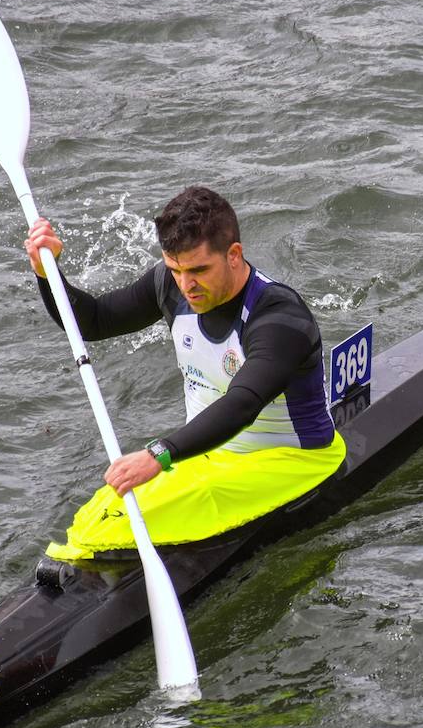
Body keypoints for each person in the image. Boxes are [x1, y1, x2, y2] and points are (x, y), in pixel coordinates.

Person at [24, 185, 346, 560]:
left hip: (292, 461)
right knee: (102, 516)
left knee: (128, 522)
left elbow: (242, 403)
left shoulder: (279, 318)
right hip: (207, 455)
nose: (186, 284)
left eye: (198, 270)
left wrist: (159, 454)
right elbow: (92, 321)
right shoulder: (170, 283)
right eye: (176, 269)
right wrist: (48, 274)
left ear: (234, 255)